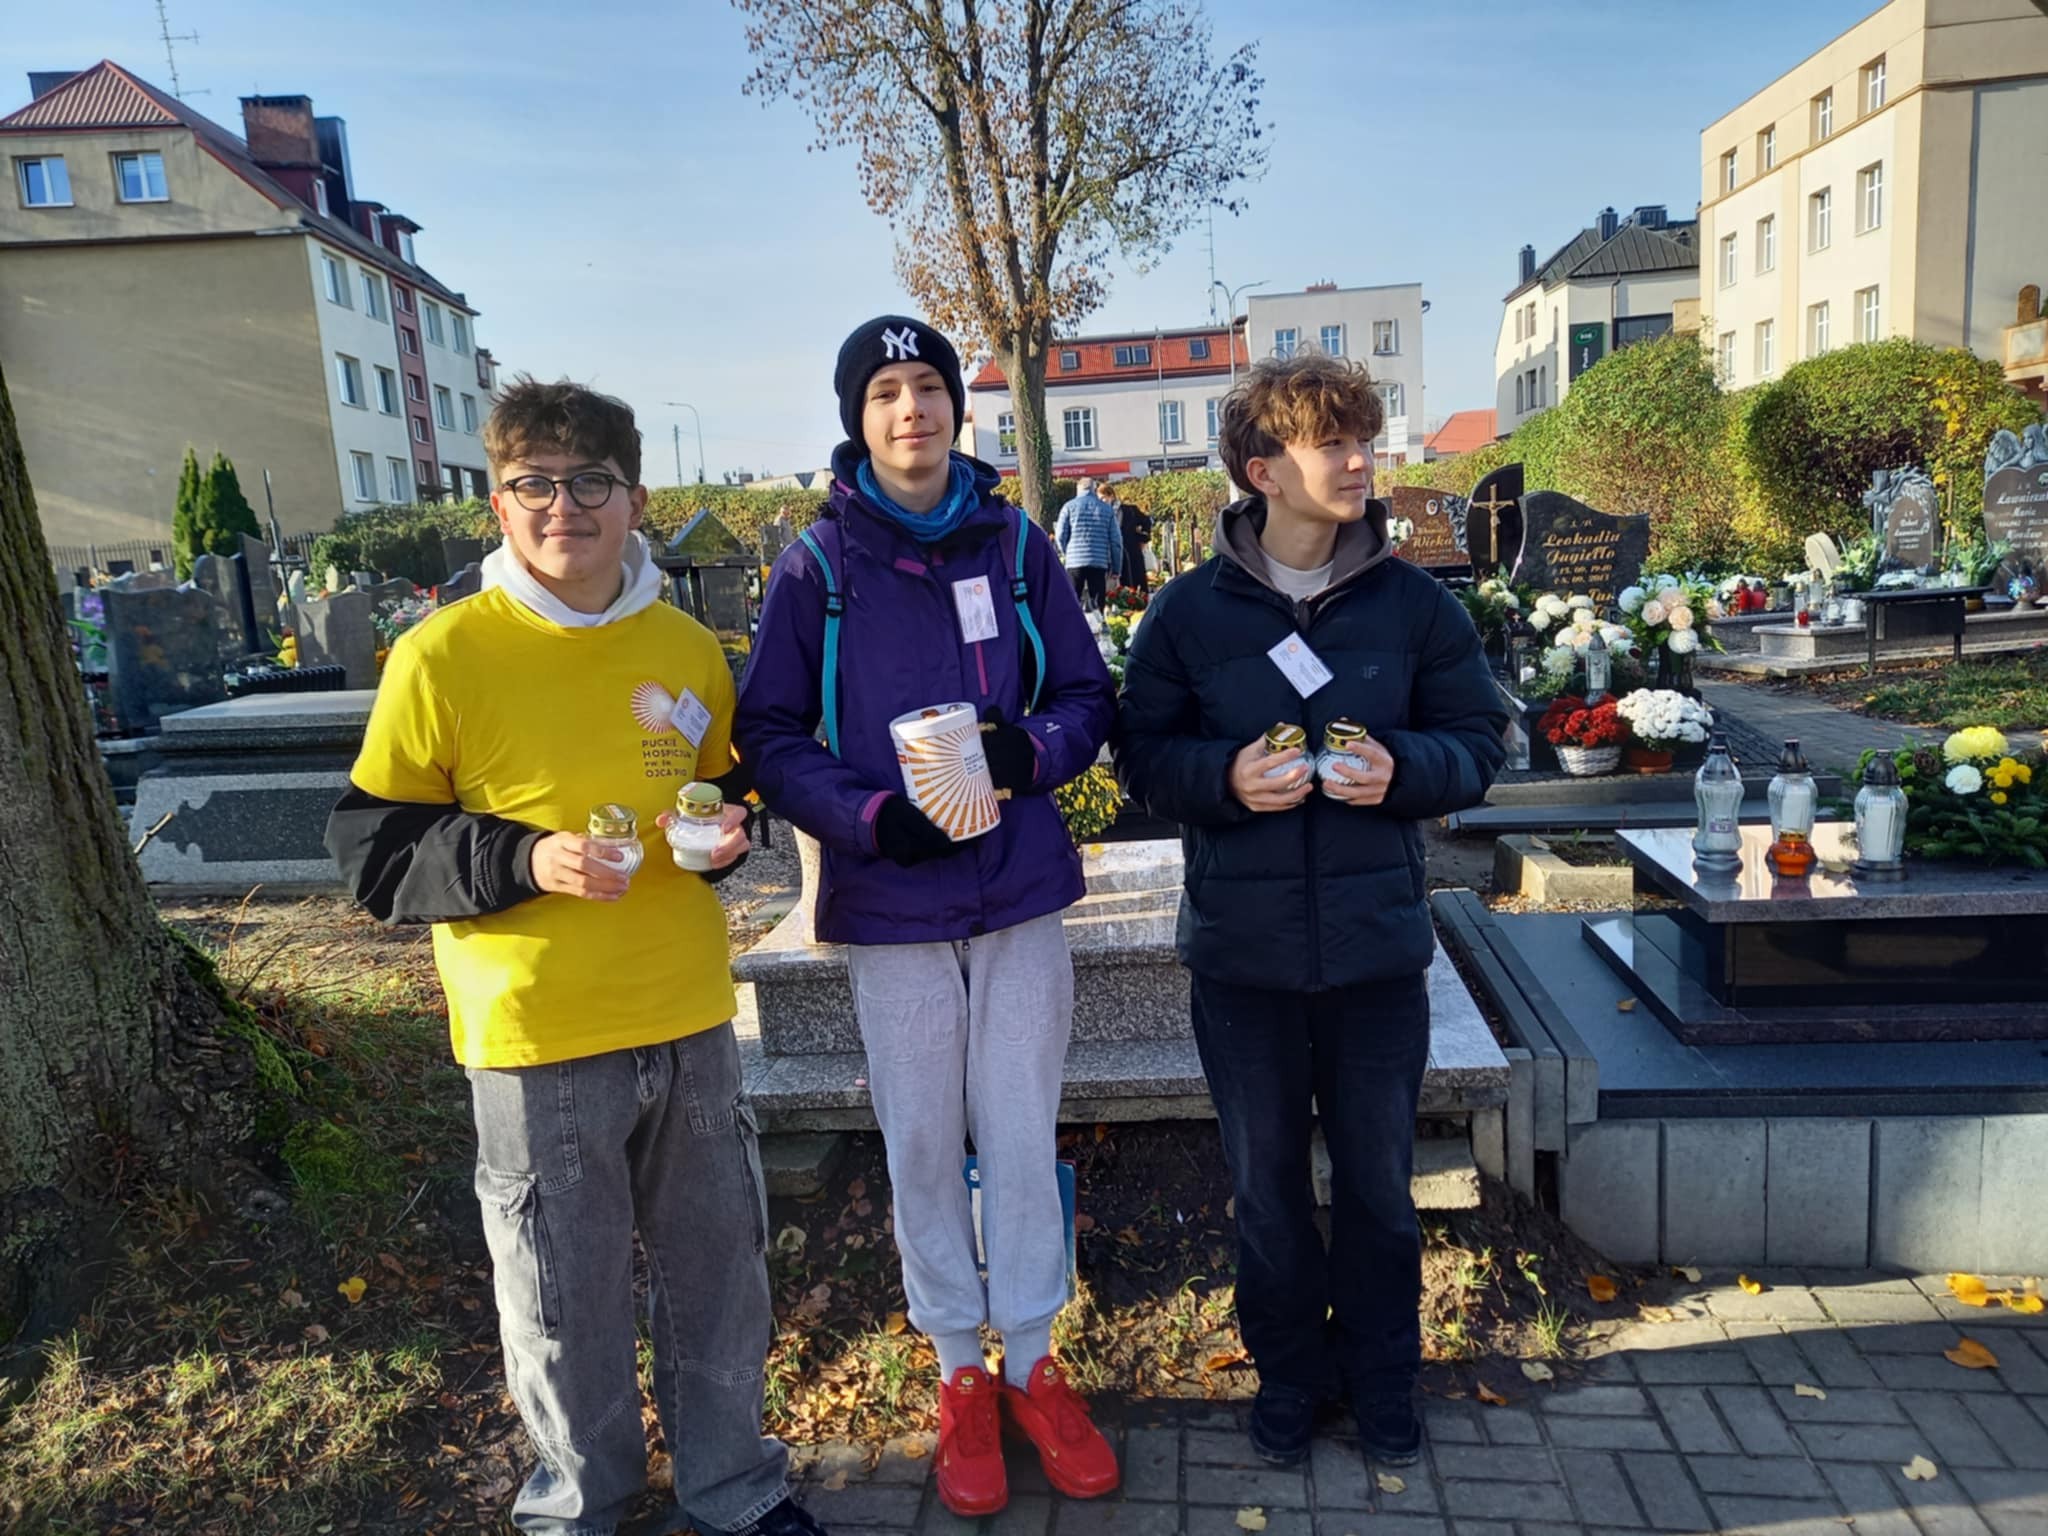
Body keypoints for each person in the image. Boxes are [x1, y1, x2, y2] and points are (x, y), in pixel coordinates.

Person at [326, 378, 819, 1536]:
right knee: (560, 1300)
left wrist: (724, 839)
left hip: (689, 1017)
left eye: (589, 481)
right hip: (535, 1032)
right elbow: (372, 853)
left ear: (634, 501)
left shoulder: (688, 649)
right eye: (534, 484)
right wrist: (525, 858)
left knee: (719, 1276)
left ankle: (733, 1488)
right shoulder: (442, 656)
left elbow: (719, 793)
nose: (564, 506)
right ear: (499, 505)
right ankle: (580, 1506)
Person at [734, 316, 1120, 1520]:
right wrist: (865, 819)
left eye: (929, 387)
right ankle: (959, 1369)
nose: (911, 410)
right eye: (886, 392)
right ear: (857, 419)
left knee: (1019, 1125)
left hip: (1015, 890)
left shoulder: (1014, 545)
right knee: (918, 1137)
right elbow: (768, 733)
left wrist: (1026, 752)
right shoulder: (816, 567)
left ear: (958, 405)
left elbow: (1084, 693)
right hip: (891, 898)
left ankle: (1034, 1360)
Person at [1114, 353, 1507, 1469]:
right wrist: (1225, 779)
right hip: (1242, 963)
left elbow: (1479, 740)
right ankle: (1290, 1378)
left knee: (1379, 1189)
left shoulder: (1415, 605)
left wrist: (1407, 769)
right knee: (1268, 1193)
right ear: (1262, 471)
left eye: (1362, 439)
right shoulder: (1188, 615)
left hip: (1376, 957)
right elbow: (1140, 756)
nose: (1358, 461)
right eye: (1329, 442)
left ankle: (1383, 1378)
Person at [1054, 476, 1122, 609]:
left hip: (1074, 562)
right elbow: (1116, 541)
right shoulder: (1107, 510)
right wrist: (1116, 568)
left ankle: (1074, 622)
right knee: (1097, 605)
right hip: (1099, 562)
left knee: (1072, 604)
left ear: (1077, 489)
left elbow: (1060, 535)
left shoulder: (1068, 507)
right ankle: (1098, 620)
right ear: (1094, 489)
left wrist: (1067, 553)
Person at [1117, 494, 1154, 596]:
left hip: (1131, 549)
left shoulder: (1130, 511)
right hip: (1113, 550)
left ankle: (1137, 599)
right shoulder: (1102, 510)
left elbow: (1146, 521)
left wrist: (1142, 539)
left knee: (1133, 577)